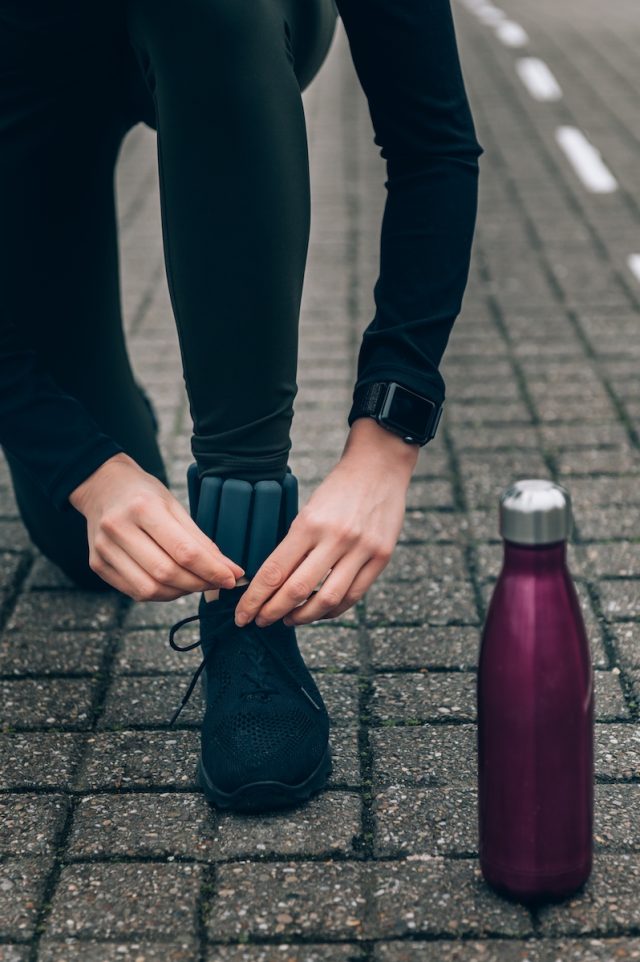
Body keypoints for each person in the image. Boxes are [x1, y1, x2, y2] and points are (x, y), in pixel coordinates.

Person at [0, 0, 483, 811]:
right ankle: (120, 448)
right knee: (86, 548)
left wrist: (386, 442)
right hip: (35, 73)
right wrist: (79, 464)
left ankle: (245, 577)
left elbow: (432, 141)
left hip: (233, 29)